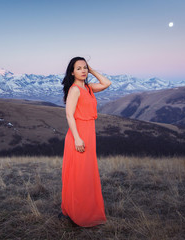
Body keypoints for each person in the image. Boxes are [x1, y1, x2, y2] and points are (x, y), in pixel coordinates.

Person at [60, 56, 111, 227]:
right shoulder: (74, 90)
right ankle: (76, 213)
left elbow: (106, 83)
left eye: (85, 68)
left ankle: (84, 210)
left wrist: (92, 69)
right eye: (79, 68)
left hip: (89, 132)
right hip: (79, 134)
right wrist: (77, 138)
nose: (83, 71)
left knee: (87, 174)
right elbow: (69, 115)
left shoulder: (88, 88)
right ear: (72, 72)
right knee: (78, 175)